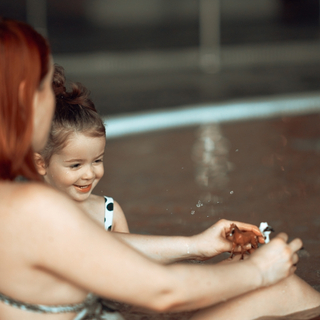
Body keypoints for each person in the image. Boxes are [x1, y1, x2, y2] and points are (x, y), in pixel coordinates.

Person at [0, 18, 320, 320]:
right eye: (44, 88)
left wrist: (195, 246)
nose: (52, 102)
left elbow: (92, 248)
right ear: (22, 98)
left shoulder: (14, 195)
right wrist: (260, 271)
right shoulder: (30, 206)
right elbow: (165, 292)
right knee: (283, 290)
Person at [34, 65, 129, 233]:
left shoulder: (109, 213)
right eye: (76, 165)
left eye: (97, 160)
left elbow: (129, 258)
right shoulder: (29, 215)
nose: (89, 175)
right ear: (41, 163)